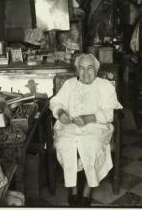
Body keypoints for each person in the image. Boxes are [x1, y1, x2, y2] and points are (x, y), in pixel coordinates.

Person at [49, 54, 123, 206]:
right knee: (65, 143)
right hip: (69, 125)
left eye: (89, 68)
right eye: (81, 68)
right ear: (77, 70)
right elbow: (55, 102)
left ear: (96, 69)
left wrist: (88, 118)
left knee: (91, 145)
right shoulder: (69, 84)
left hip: (96, 126)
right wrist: (61, 113)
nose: (85, 73)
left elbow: (109, 114)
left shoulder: (105, 86)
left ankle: (87, 191)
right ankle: (73, 188)